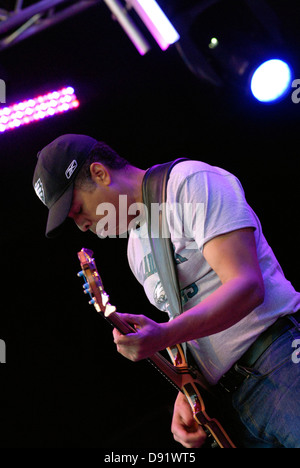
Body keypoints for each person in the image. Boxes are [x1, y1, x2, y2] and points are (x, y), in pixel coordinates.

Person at [33, 134, 300, 448]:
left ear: (100, 174)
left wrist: (165, 334)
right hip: (229, 403)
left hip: (279, 362)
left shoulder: (189, 184)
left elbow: (247, 286)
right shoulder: (135, 250)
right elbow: (191, 328)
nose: (80, 225)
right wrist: (188, 390)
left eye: (76, 209)